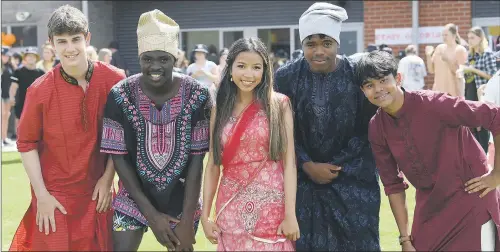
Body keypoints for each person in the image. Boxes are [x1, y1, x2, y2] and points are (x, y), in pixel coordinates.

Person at [9, 5, 126, 251]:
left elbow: (122, 134)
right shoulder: (39, 90)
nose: (70, 48)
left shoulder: (115, 80)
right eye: (62, 41)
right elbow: (26, 143)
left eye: (76, 39)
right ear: (51, 43)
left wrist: (107, 179)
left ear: (87, 38)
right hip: (55, 197)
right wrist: (41, 196)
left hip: (98, 193)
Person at [357, 50, 500, 251]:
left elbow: (495, 116)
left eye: (382, 80)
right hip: (430, 208)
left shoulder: (434, 104)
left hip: (470, 197)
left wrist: (497, 174)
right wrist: (405, 239)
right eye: (369, 85)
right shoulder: (377, 127)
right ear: (363, 90)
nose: (378, 89)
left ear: (398, 78)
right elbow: (392, 185)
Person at [99, 9, 211, 251]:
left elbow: (196, 161)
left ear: (175, 58)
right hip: (133, 197)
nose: (155, 66)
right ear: (140, 59)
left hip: (183, 201)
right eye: (148, 59)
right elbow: (118, 158)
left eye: (163, 59)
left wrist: (186, 219)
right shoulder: (119, 95)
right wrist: (151, 215)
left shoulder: (198, 94)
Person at [274, 2, 381, 251]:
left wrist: (336, 166)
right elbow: (282, 129)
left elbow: (368, 128)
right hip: (303, 181)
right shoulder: (286, 76)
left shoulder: (358, 74)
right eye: (311, 44)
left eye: (326, 43)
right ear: (302, 46)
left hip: (354, 180)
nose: (319, 51)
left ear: (337, 44)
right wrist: (306, 164)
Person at [201, 38, 299, 251]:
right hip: (230, 209)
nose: (249, 74)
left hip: (272, 209)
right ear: (230, 69)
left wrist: (290, 214)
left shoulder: (279, 105)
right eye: (241, 66)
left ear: (265, 71)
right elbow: (212, 165)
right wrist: (205, 215)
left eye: (256, 67)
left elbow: (289, 163)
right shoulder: (219, 110)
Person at [461, 27, 499, 154]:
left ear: (480, 38)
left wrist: (473, 70)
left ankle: (485, 155)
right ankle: (478, 155)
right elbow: (469, 74)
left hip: (483, 93)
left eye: (472, 38)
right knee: (473, 124)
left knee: (483, 126)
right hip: (470, 92)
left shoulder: (487, 54)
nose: (470, 40)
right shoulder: (471, 55)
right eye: (468, 38)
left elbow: (493, 76)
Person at [425, 23, 468, 97]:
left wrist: (448, 60)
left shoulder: (460, 50)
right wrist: (428, 56)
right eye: (443, 35)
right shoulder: (439, 48)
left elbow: (460, 73)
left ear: (454, 35)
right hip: (437, 92)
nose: (444, 37)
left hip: (453, 93)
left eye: (446, 35)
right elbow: (431, 70)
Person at [9, 47, 45, 127]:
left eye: (33, 56)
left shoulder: (41, 73)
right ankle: (18, 139)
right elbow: (13, 86)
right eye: (29, 56)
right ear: (25, 58)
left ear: (36, 58)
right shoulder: (18, 72)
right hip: (21, 101)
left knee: (36, 123)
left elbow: (45, 89)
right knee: (19, 121)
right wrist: (11, 97)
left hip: (36, 103)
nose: (31, 58)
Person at [1, 46, 15, 147]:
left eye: (6, 55)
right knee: (2, 116)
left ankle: (4, 138)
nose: (5, 57)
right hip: (1, 95)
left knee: (6, 116)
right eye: (3, 55)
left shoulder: (11, 66)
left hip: (8, 95)